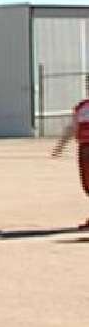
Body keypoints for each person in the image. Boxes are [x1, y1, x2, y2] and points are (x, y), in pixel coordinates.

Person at [51, 95, 89, 229]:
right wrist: (60, 146)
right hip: (84, 149)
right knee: (87, 184)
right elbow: (72, 128)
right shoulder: (81, 107)